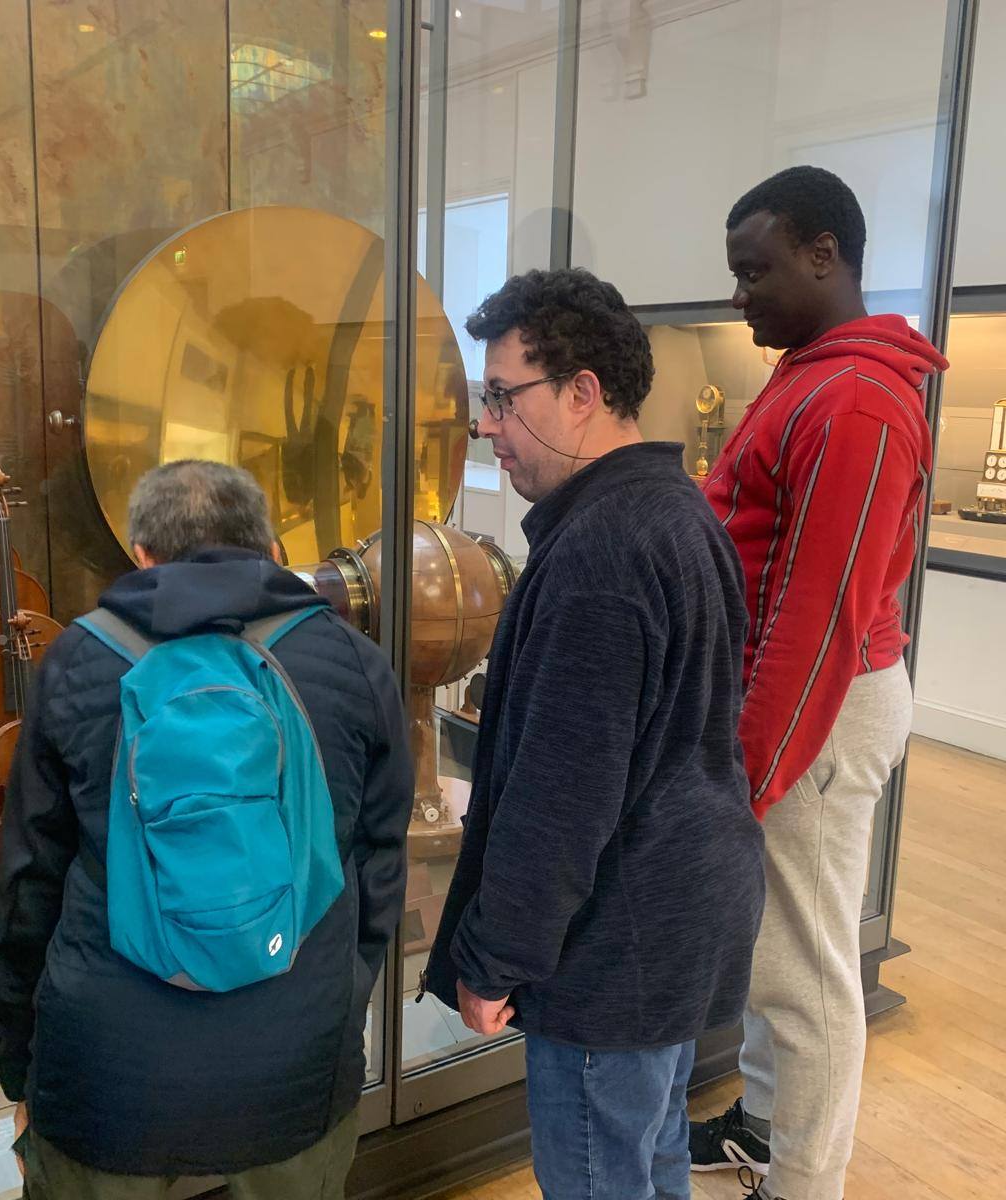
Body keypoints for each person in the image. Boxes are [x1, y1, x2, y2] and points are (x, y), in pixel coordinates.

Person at [0, 460, 411, 1199]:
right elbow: (380, 867)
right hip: (295, 1056)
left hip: (107, 1068)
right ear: (270, 548)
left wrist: (23, 1058)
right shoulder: (352, 660)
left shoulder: (79, 659)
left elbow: (27, 882)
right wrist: (338, 994)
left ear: (142, 555)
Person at [422, 269, 765, 1200]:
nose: (487, 424)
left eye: (504, 397)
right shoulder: (678, 510)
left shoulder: (601, 554)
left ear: (582, 393)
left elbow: (563, 795)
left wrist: (495, 957)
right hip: (678, 916)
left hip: (617, 946)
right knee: (651, 1158)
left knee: (599, 1177)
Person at [689, 167, 947, 1200]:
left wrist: (745, 773)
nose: (739, 295)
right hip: (797, 699)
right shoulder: (812, 375)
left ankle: (802, 1182)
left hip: (821, 709)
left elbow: (819, 614)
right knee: (778, 950)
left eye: (755, 272)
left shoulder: (856, 401)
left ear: (822, 256)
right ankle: (765, 1124)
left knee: (806, 969)